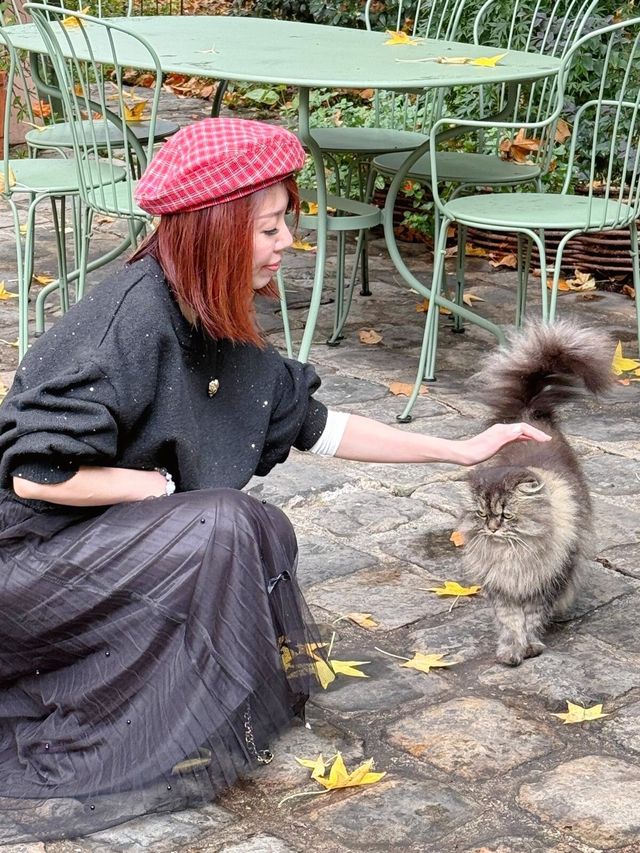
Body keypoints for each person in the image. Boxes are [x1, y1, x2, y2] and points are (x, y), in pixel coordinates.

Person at [0, 118, 550, 842]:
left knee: (258, 527)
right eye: (269, 229)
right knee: (222, 522)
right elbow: (39, 477)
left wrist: (457, 448)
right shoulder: (129, 324)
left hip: (95, 549)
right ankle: (110, 716)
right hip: (29, 572)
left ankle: (174, 700)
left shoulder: (204, 309)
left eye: (286, 223)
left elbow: (318, 426)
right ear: (214, 232)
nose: (288, 242)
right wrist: (158, 492)